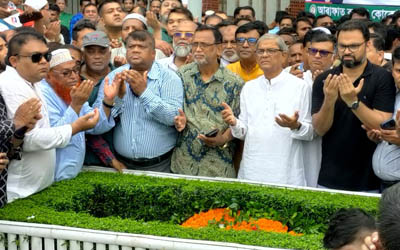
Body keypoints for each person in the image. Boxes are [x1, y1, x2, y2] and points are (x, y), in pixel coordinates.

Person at [0, 31, 100, 202]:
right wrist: (75, 127)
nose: (44, 61)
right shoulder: (11, 85)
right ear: (14, 61)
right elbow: (28, 140)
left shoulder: (32, 82)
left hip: (35, 188)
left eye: (46, 55)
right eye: (36, 57)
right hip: (20, 191)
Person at [312, 20, 396, 191]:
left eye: (354, 46)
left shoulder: (382, 78)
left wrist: (353, 102)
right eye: (342, 46)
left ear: (367, 44)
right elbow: (319, 129)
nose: (347, 51)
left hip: (368, 180)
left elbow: (382, 124)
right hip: (329, 177)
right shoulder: (325, 80)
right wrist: (329, 99)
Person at [222, 34, 312, 186]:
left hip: (286, 173)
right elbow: (243, 132)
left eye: (270, 51)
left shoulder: (300, 87)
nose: (264, 55)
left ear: (284, 55)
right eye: (260, 51)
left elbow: (310, 132)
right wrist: (234, 123)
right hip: (252, 170)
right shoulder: (249, 87)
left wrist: (295, 126)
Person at [94, 30, 183, 172]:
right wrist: (118, 98)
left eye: (141, 47)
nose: (135, 50)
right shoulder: (113, 77)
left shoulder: (169, 78)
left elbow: (173, 118)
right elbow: (97, 126)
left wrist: (143, 92)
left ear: (153, 53)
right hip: (122, 165)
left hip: (160, 165)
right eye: (131, 46)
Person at [172, 25, 243, 178]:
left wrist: (223, 138)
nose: (197, 49)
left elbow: (241, 122)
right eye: (195, 44)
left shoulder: (234, 82)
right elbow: (173, 107)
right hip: (183, 163)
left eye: (204, 45)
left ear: (219, 49)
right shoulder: (182, 75)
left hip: (218, 165)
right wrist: (179, 120)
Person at [41, 48, 119, 181]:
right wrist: (75, 105)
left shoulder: (70, 90)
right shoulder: (43, 94)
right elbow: (55, 136)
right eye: (66, 73)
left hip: (71, 174)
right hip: (50, 176)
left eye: (76, 71)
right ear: (48, 76)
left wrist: (107, 101)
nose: (74, 76)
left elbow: (95, 126)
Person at [80, 31, 126, 172]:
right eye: (91, 52)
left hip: (116, 157)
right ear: (83, 55)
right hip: (79, 160)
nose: (97, 56)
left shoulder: (120, 76)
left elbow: (118, 114)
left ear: (110, 52)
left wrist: (118, 97)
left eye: (102, 51)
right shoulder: (72, 78)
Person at [365, 47, 400, 191]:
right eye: (398, 71)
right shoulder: (391, 95)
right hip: (383, 184)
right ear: (392, 69)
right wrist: (378, 136)